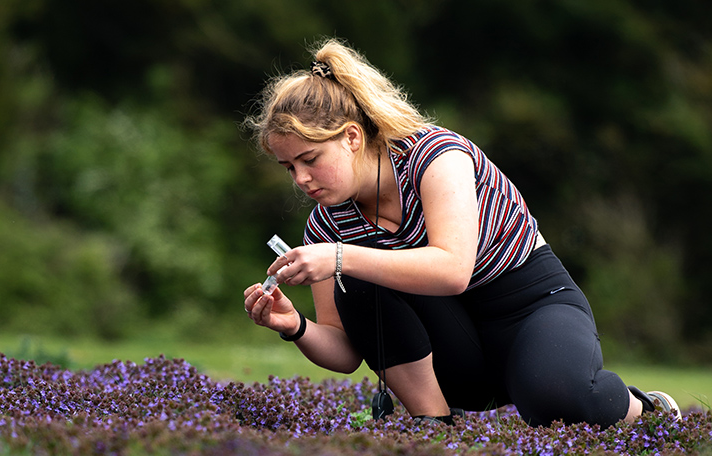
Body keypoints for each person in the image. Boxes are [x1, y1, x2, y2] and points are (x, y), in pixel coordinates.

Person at [242, 38, 680, 428]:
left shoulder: (434, 156)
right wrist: (293, 325)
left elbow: (453, 270)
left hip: (529, 308)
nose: (300, 179)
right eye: (289, 168)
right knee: (356, 275)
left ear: (352, 137)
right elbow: (347, 351)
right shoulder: (328, 223)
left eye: (310, 159)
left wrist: (339, 257)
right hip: (455, 354)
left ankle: (643, 408)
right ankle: (434, 427)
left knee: (557, 402)